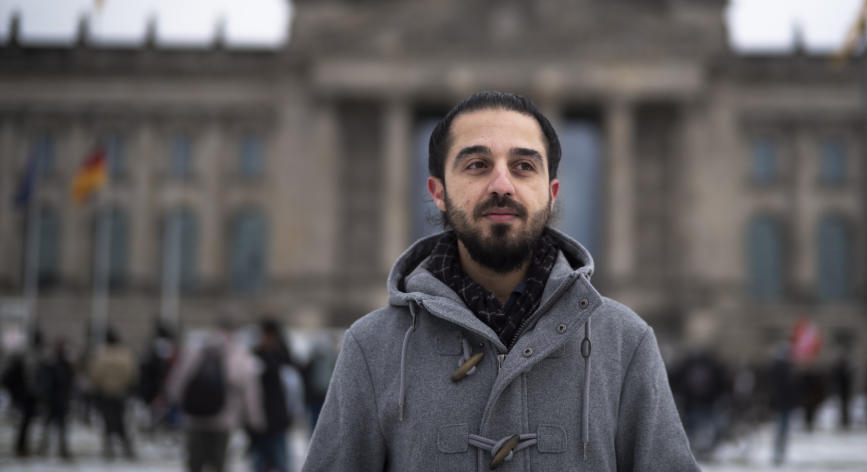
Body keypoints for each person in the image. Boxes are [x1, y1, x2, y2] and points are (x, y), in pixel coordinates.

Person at [302, 91, 699, 471]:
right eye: (476, 165)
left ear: (552, 193)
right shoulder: (371, 348)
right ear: (438, 191)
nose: (502, 185)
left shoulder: (626, 343)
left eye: (524, 166)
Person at [167, 315, 265, 472]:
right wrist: (254, 419)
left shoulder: (196, 350)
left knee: (194, 463)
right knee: (219, 463)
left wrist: (176, 401)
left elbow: (178, 380)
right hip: (224, 418)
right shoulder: (238, 353)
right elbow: (249, 389)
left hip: (194, 417)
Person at [251, 318, 295, 472]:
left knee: (281, 460)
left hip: (277, 418)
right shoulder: (255, 355)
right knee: (259, 462)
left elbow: (292, 389)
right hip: (259, 419)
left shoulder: (282, 357)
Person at [88, 327, 138, 460]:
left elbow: (95, 374)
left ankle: (109, 448)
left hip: (105, 392)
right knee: (122, 422)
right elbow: (131, 373)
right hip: (121, 392)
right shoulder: (125, 354)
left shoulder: (101, 354)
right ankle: (127, 449)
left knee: (107, 421)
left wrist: (98, 387)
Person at [1, 328, 45, 457]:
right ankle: (21, 447)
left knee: (25, 424)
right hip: (27, 396)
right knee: (25, 424)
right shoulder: (29, 357)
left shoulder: (25, 356)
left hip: (27, 396)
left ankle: (21, 447)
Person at [38, 337, 75, 460]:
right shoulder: (56, 364)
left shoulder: (62, 364)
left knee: (58, 426)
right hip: (56, 400)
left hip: (58, 400)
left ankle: (53, 448)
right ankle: (47, 447)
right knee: (53, 426)